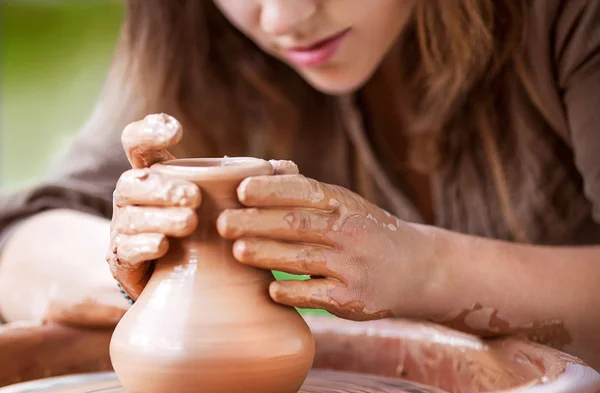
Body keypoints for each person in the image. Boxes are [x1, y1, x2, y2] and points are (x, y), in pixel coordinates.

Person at [0, 0, 599, 369]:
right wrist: (141, 270)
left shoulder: (571, 17)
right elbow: (23, 236)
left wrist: (426, 270)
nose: (284, 17)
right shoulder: (204, 37)